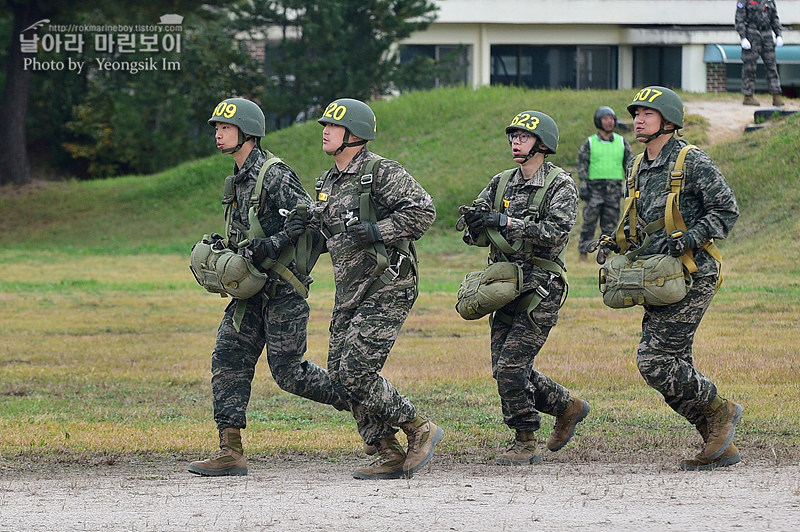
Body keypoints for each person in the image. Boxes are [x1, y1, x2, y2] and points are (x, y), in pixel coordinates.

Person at [188, 97, 349, 476]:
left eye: (225, 128)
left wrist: (275, 244)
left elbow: (313, 222)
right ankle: (231, 451)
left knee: (290, 373)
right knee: (227, 358)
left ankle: (373, 411)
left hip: (283, 291)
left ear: (247, 132)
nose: (218, 133)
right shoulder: (236, 180)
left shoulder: (275, 174)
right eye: (216, 128)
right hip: (251, 293)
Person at [595, 86, 742, 470]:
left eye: (647, 113)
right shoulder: (637, 165)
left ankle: (721, 409)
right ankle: (717, 444)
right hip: (659, 278)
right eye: (637, 113)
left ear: (669, 121)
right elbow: (643, 222)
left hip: (693, 274)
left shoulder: (691, 161)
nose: (638, 119)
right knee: (676, 364)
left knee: (654, 360)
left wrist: (692, 237)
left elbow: (726, 209)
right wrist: (617, 241)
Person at [305, 97, 443, 480]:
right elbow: (324, 231)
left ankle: (419, 427)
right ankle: (386, 448)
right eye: (325, 126)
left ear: (355, 135)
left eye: (333, 126)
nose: (326, 132)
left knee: (357, 371)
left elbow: (424, 210)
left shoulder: (382, 172)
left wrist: (378, 230)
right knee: (338, 373)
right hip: (349, 289)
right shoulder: (326, 181)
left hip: (388, 283)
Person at [461, 110, 590, 466]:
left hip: (540, 288)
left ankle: (525, 438)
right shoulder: (501, 182)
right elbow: (472, 233)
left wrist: (505, 221)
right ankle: (567, 406)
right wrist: (475, 223)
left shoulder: (560, 184)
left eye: (524, 137)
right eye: (513, 137)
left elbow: (556, 232)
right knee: (505, 368)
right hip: (503, 287)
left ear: (542, 144)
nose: (516, 143)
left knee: (510, 368)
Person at [576, 107, 633, 262]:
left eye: (612, 118)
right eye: (605, 118)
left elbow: (630, 165)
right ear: (598, 121)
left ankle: (604, 255)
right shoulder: (590, 143)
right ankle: (583, 254)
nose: (609, 122)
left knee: (610, 225)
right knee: (589, 222)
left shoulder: (622, 142)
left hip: (614, 190)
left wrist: (629, 185)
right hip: (594, 189)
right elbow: (582, 163)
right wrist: (583, 184)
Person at [735, 0, 785, 107]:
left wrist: (778, 34)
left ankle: (776, 95)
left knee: (771, 66)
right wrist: (743, 37)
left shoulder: (769, 1)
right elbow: (739, 20)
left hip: (767, 34)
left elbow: (774, 18)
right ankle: (748, 96)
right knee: (750, 67)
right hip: (752, 34)